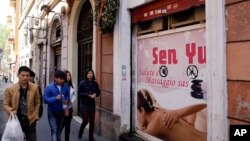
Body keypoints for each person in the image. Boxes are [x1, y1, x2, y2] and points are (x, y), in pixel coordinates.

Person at [137, 89, 207, 141]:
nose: (136, 119)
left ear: (142, 110)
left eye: (137, 113)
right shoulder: (160, 112)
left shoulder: (155, 121)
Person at [3, 66, 41, 141]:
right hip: (16, 121)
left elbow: (38, 103)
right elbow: (5, 104)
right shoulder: (10, 89)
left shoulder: (35, 88)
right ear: (18, 75)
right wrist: (10, 110)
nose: (25, 78)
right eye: (23, 75)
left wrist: (36, 115)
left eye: (27, 75)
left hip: (30, 121)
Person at [43, 70, 70, 141]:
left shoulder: (65, 87)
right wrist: (55, 98)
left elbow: (67, 98)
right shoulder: (49, 87)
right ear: (55, 78)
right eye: (61, 79)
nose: (62, 80)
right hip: (52, 112)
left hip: (61, 112)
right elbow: (45, 100)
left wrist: (66, 109)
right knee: (54, 130)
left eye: (63, 79)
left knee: (59, 130)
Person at [78, 69, 100, 141]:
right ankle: (81, 131)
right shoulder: (82, 82)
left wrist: (95, 94)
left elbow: (98, 92)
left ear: (93, 74)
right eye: (89, 73)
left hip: (91, 105)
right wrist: (88, 95)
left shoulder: (95, 83)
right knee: (85, 121)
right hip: (84, 104)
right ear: (86, 75)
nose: (90, 74)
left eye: (91, 73)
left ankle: (91, 137)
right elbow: (79, 93)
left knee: (92, 121)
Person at [61, 70, 76, 141]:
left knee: (68, 125)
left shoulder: (73, 85)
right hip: (62, 109)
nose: (68, 77)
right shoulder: (61, 85)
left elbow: (74, 95)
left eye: (69, 75)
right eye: (67, 75)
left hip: (69, 107)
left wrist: (71, 102)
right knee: (61, 125)